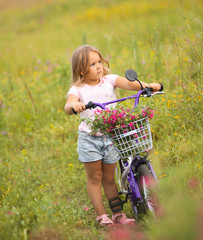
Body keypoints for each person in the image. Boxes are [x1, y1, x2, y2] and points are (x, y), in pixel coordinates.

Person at [64, 45, 162, 226]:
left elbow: (130, 84)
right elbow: (68, 105)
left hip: (110, 137)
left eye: (99, 61)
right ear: (81, 70)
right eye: (92, 64)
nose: (98, 66)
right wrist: (74, 106)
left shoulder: (109, 80)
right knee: (95, 178)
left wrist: (148, 86)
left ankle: (118, 215)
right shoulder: (78, 89)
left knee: (109, 178)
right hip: (89, 139)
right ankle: (101, 215)